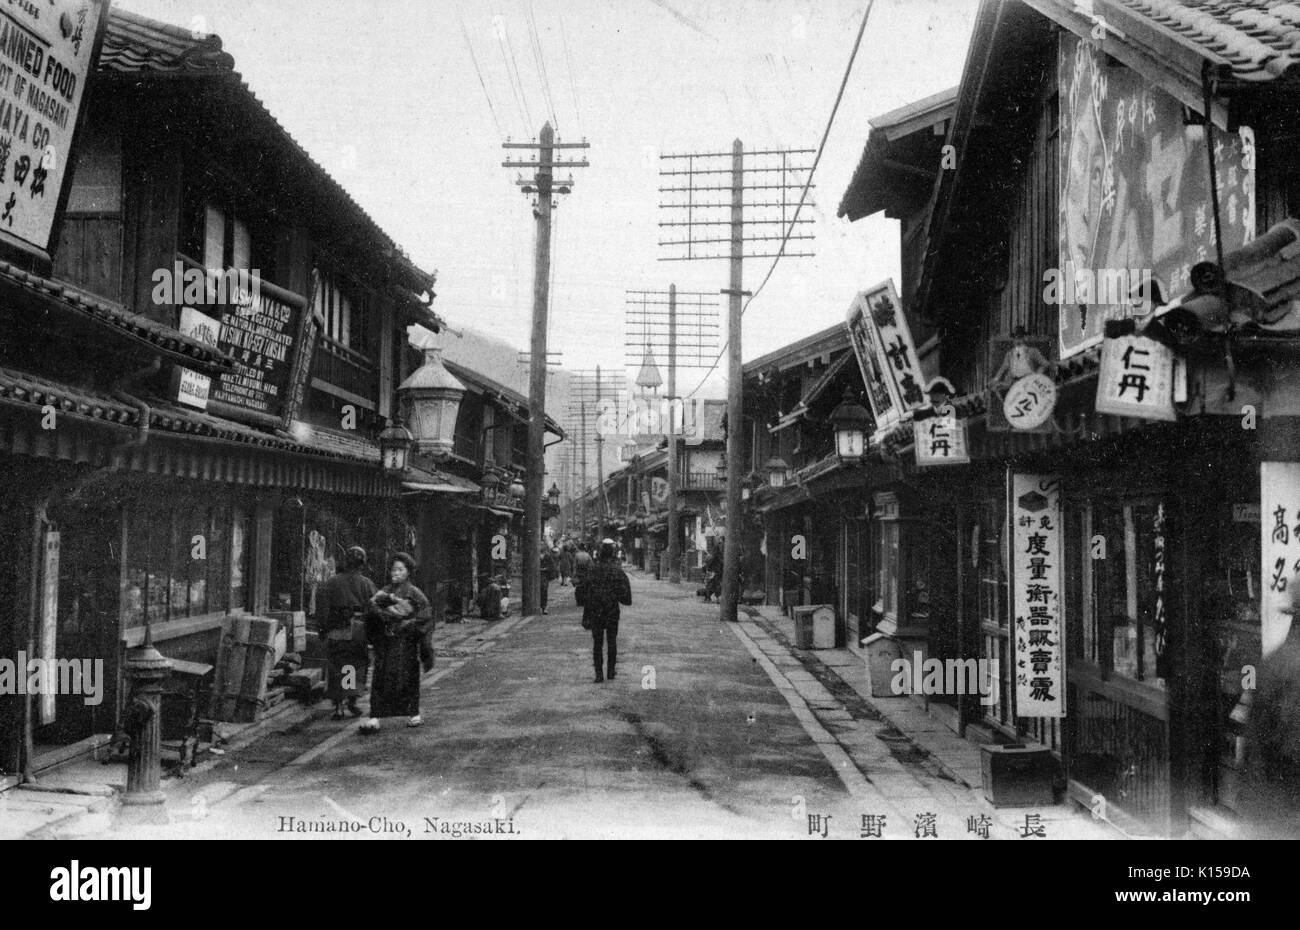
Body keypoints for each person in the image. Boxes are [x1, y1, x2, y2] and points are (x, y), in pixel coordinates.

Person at [360, 552, 434, 731]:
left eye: (400, 569)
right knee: (380, 678)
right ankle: (375, 716)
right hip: (385, 643)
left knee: (408, 678)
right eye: (393, 569)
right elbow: (371, 610)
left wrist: (409, 623)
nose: (396, 573)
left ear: (408, 572)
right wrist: (381, 614)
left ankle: (414, 714)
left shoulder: (415, 593)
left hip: (405, 643)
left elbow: (425, 616)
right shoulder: (384, 591)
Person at [315, 546, 376, 720]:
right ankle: (352, 700)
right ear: (362, 564)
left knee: (338, 665)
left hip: (337, 629)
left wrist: (322, 628)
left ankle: (339, 705)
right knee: (354, 666)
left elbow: (323, 609)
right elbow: (373, 609)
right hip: (358, 631)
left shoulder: (331, 583)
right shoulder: (367, 584)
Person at [576, 539, 631, 683]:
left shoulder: (592, 570)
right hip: (612, 610)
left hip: (595, 610)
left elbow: (581, 590)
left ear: (599, 554)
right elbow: (626, 597)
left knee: (597, 643)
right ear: (613, 554)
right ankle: (611, 672)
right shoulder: (617, 571)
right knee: (612, 641)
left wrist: (587, 601)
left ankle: (599, 674)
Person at [540, 543, 558, 615]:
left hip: (544, 576)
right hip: (537, 577)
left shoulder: (547, 556)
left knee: (544, 591)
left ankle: (544, 607)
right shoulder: (535, 556)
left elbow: (552, 566)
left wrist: (546, 569)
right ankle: (540, 606)